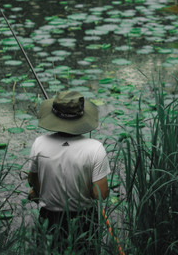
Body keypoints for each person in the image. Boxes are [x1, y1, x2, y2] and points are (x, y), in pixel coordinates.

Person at [28, 90, 111, 253]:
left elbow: (33, 179)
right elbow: (100, 194)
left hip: (49, 218)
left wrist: (38, 192)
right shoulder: (95, 148)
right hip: (84, 219)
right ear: (81, 117)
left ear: (54, 117)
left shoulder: (39, 143)